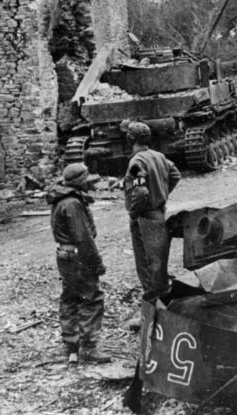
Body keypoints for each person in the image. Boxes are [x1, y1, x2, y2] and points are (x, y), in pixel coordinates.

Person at [48, 163, 110, 364]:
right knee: (91, 298)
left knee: (70, 297)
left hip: (65, 255)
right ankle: (89, 347)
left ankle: (71, 344)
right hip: (77, 256)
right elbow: (83, 238)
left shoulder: (62, 200)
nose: (88, 181)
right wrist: (97, 264)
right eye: (85, 178)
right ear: (78, 181)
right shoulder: (72, 204)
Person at [123, 121, 181, 309]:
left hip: (144, 217)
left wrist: (133, 212)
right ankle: (164, 302)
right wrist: (162, 194)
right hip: (158, 214)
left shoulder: (136, 162)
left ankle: (153, 308)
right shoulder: (159, 156)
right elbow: (175, 175)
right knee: (158, 261)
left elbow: (140, 192)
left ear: (130, 139)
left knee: (147, 265)